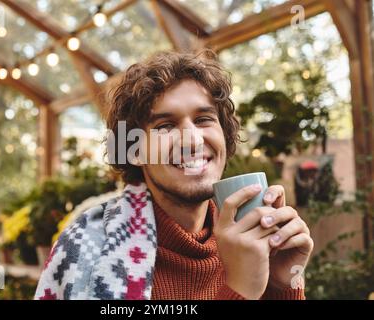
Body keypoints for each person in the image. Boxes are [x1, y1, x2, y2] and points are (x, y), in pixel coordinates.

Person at [35, 50, 314, 300]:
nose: (191, 140)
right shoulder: (86, 248)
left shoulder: (253, 239)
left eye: (204, 119)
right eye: (165, 125)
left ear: (225, 136)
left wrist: (282, 287)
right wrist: (239, 291)